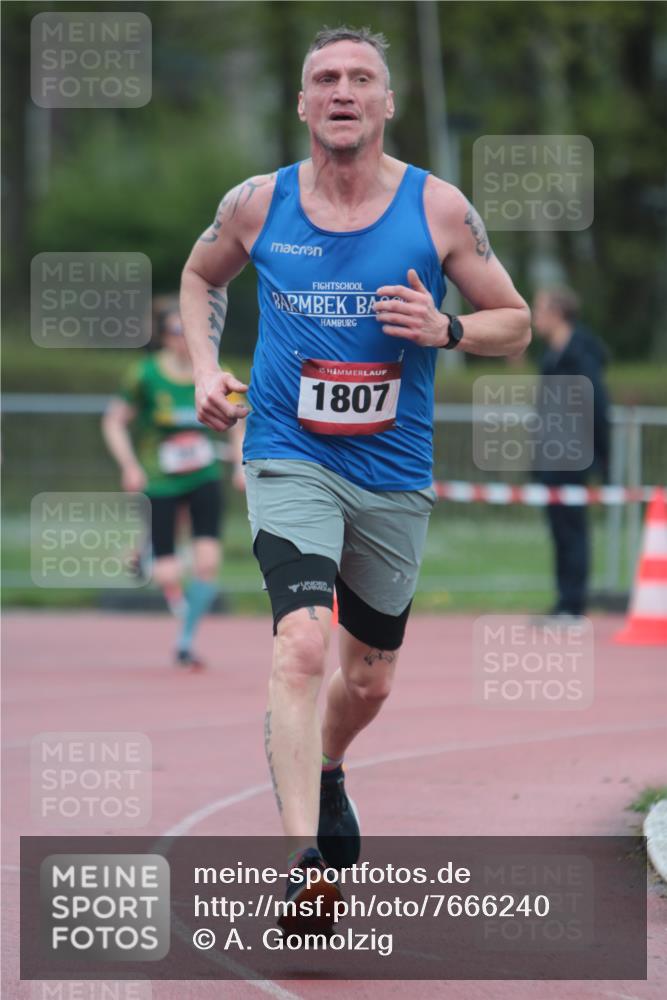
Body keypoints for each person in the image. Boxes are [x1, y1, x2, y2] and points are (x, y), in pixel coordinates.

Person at [180, 26, 531, 924]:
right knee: (300, 642)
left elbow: (516, 323)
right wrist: (201, 369)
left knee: (368, 678)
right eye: (324, 79)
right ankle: (304, 863)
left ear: (384, 103)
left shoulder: (438, 209)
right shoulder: (257, 204)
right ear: (302, 104)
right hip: (289, 454)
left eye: (360, 79)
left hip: (392, 471)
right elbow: (197, 274)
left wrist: (446, 329)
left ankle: (330, 767)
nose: (341, 91)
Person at [102, 304, 245, 669]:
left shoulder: (217, 372)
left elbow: (238, 421)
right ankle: (147, 553)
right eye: (176, 333)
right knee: (167, 572)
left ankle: (185, 641)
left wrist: (240, 462)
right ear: (164, 337)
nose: (184, 341)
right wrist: (130, 465)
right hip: (161, 480)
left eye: (190, 331)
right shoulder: (145, 375)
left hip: (204, 476)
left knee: (208, 563)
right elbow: (114, 421)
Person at [532, 286, 610, 618]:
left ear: (557, 313)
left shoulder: (582, 354)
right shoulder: (551, 356)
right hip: (551, 459)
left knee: (574, 531)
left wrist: (604, 461)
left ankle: (574, 604)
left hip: (574, 458)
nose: (535, 318)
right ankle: (564, 601)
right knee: (560, 531)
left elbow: (597, 407)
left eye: (539, 310)